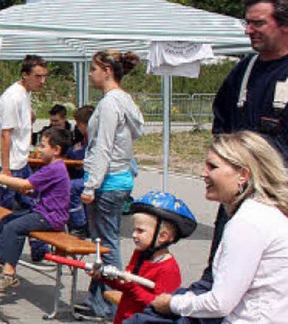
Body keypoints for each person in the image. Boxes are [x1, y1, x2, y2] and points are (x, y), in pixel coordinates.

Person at [143, 131, 288, 322]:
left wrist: (171, 303)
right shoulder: (264, 213)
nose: (203, 173)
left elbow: (220, 303)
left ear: (243, 175)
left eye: (212, 167)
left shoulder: (248, 223)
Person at [204, 0, 288, 291]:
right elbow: (221, 121)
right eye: (247, 23)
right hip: (238, 196)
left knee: (267, 283)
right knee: (220, 275)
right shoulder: (244, 70)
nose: (248, 30)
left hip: (278, 202)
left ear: (284, 25)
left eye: (258, 23)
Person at [76, 50, 145, 321]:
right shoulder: (124, 101)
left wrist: (90, 186)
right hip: (118, 179)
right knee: (101, 245)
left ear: (107, 70)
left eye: (94, 69)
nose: (91, 74)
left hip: (108, 182)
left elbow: (102, 147)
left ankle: (113, 305)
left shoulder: (109, 104)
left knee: (107, 246)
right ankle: (97, 300)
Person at [0, 55, 49, 264]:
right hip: (7, 164)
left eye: (45, 77)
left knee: (36, 203)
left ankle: (39, 249)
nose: (42, 81)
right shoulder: (12, 97)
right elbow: (5, 134)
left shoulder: (25, 94)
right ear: (25, 75)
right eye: (38, 76)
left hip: (21, 161)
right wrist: (5, 170)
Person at [0, 128, 72, 292]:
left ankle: (9, 274)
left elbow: (25, 184)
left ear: (56, 150)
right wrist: (29, 191)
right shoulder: (52, 168)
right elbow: (33, 189)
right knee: (7, 220)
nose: (39, 150)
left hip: (50, 217)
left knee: (14, 227)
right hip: (43, 212)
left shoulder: (54, 168)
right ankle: (1, 261)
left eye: (43, 146)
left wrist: (2, 178)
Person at [90, 191, 197, 324]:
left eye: (140, 231)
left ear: (163, 236)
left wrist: (131, 286)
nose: (134, 235)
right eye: (134, 230)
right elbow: (126, 285)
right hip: (124, 318)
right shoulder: (140, 254)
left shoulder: (168, 269)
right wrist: (103, 277)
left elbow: (159, 305)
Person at [65, 105, 95, 237]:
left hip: (96, 178)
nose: (77, 128)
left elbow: (77, 153)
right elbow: (72, 152)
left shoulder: (95, 139)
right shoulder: (85, 139)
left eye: (79, 125)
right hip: (86, 174)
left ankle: (79, 225)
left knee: (71, 186)